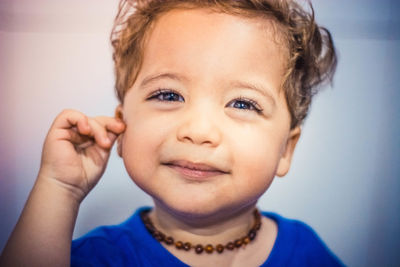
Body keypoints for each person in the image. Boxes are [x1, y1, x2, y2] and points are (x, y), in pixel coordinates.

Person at [0, 0, 344, 266]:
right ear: (122, 126)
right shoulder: (100, 257)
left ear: (286, 149)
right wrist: (60, 188)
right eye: (168, 95)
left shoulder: (307, 251)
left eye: (242, 103)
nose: (198, 131)